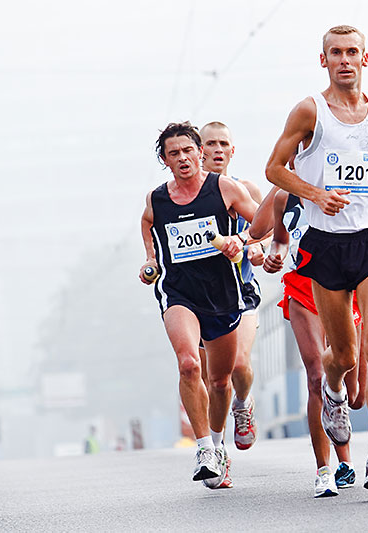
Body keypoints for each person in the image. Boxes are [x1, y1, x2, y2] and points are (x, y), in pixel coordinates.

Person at [265, 25, 368, 491]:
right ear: (324, 61)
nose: (345, 60)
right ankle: (333, 393)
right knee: (344, 356)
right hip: (327, 243)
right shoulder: (310, 112)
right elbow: (273, 169)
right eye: (336, 53)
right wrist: (316, 193)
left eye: (353, 52)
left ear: (365, 59)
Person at [139, 121, 259, 489]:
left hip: (223, 294)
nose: (183, 158)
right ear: (165, 160)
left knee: (220, 380)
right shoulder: (157, 199)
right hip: (179, 294)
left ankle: (219, 445)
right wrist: (151, 261)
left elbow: (264, 224)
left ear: (199, 154)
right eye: (173, 154)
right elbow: (148, 223)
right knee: (190, 364)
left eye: (188, 151)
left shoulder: (224, 188)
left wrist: (240, 240)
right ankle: (204, 448)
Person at [262, 184, 367, 498]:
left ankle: (342, 429)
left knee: (355, 393)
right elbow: (276, 238)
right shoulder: (284, 195)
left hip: (346, 290)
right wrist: (274, 255)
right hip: (302, 289)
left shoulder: (346, 185)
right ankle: (328, 468)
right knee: (315, 376)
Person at [199, 122, 263, 454]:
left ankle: (243, 404)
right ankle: (216, 449)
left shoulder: (245, 188)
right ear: (200, 150)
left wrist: (253, 246)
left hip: (241, 289)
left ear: (232, 151)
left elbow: (266, 227)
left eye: (224, 143)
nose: (218, 149)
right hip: (200, 295)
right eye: (211, 143)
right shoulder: (183, 196)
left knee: (238, 364)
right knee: (213, 379)